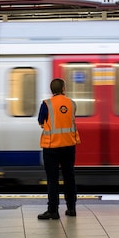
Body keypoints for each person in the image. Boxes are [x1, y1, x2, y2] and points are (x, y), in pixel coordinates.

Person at [37, 78, 81, 220]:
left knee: (53, 179)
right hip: (69, 146)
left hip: (52, 147)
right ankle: (71, 208)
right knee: (69, 177)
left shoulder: (46, 104)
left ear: (52, 90)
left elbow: (40, 121)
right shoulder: (72, 104)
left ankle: (53, 211)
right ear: (63, 89)